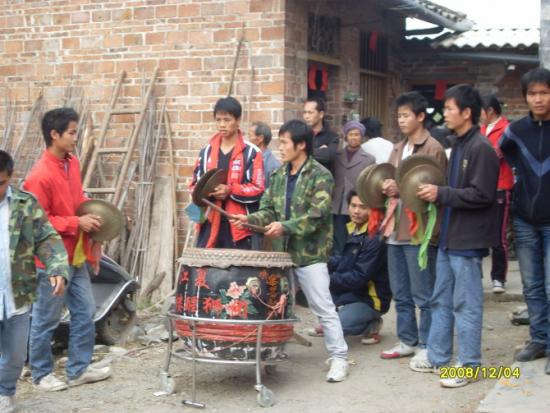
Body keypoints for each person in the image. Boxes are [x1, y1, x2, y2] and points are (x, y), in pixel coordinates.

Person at [232, 120, 349, 382]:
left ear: (301, 145)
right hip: (281, 256)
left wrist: (284, 227)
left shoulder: (321, 175)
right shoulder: (278, 176)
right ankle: (273, 352)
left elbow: (316, 216)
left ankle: (339, 357)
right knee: (277, 307)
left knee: (322, 306)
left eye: (285, 142)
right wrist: (248, 220)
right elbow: (268, 211)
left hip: (310, 254)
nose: (281, 148)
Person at [410, 84, 499, 388]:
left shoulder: (481, 148)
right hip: (450, 237)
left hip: (468, 241)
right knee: (441, 299)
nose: (444, 113)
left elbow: (483, 195)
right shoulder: (459, 144)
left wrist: (441, 193)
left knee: (466, 304)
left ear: (467, 112)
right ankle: (438, 356)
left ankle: (470, 365)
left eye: (449, 108)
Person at [24, 107, 111, 391]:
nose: (76, 137)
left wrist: (93, 219)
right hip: (51, 260)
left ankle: (78, 369)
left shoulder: (71, 163)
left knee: (85, 311)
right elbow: (37, 222)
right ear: (54, 134)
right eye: (72, 133)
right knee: (46, 319)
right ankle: (41, 374)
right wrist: (76, 222)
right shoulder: (39, 176)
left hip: (76, 254)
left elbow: (77, 200)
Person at [0, 151, 69, 413]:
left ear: (10, 177)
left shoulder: (25, 205)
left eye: (0, 183)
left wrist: (57, 267)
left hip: (16, 295)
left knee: (16, 355)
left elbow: (46, 238)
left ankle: (5, 392)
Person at [380, 91, 446, 360]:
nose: (401, 120)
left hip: (419, 231)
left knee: (424, 292)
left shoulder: (434, 148)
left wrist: (401, 188)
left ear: (420, 117)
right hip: (395, 228)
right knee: (400, 292)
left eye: (406, 115)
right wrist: (386, 186)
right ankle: (407, 339)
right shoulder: (397, 148)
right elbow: (391, 181)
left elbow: (437, 190)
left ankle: (428, 344)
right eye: (399, 116)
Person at [500, 68, 550, 375]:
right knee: (531, 285)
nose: (539, 98)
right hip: (525, 220)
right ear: (525, 97)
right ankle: (539, 339)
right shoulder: (516, 131)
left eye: (544, 92)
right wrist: (521, 177)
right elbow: (504, 151)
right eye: (533, 93)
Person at [308, 190, 391, 345]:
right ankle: (337, 321)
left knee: (335, 327)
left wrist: (325, 279)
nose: (356, 211)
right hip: (352, 293)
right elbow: (344, 261)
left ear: (373, 209)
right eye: (353, 206)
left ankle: (372, 324)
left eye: (363, 207)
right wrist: (320, 262)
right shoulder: (355, 228)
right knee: (316, 295)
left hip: (370, 299)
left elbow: (359, 277)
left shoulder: (374, 237)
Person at [191, 97, 264, 249]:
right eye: (218, 120)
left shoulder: (251, 153)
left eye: (227, 120)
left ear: (238, 120)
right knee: (205, 262)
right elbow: (194, 185)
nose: (222, 125)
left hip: (238, 224)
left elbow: (258, 188)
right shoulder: (206, 152)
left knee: (238, 263)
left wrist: (230, 190)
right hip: (209, 221)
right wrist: (206, 191)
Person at [480, 94, 512, 294]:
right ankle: (478, 275)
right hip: (482, 187)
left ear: (490, 110)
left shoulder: (507, 129)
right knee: (480, 233)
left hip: (500, 185)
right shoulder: (481, 130)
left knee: (499, 236)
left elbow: (496, 153)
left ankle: (499, 277)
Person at [331, 120, 375, 255]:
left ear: (362, 137)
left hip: (357, 204)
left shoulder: (369, 159)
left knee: (355, 238)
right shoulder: (336, 156)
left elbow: (369, 182)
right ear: (346, 136)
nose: (354, 137)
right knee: (338, 239)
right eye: (351, 134)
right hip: (338, 204)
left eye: (357, 134)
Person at [303, 98, 339, 174]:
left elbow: (328, 156)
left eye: (310, 113)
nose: (306, 116)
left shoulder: (332, 137)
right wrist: (319, 151)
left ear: (321, 114)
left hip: (322, 179)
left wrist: (304, 153)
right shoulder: (301, 134)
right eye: (305, 112)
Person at [248, 121, 281, 187]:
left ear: (260, 139)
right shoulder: (250, 158)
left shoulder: (273, 166)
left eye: (250, 135)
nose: (248, 139)